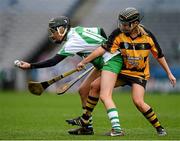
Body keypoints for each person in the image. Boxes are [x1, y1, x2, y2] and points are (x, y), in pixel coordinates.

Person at [68, 7, 176, 136]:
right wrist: (84, 61)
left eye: (125, 24)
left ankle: (159, 128)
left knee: (138, 102)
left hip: (139, 75)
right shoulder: (118, 34)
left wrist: (169, 73)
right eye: (121, 23)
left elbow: (159, 56)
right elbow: (102, 49)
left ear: (135, 23)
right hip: (122, 73)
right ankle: (85, 120)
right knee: (94, 86)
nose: (122, 26)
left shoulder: (148, 36)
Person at [16, 16, 122, 135]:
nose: (52, 35)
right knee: (83, 90)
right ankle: (87, 127)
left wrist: (30, 66)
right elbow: (100, 30)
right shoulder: (78, 30)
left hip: (111, 62)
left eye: (53, 31)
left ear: (61, 29)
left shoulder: (72, 42)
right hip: (103, 62)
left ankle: (116, 128)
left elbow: (53, 61)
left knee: (103, 94)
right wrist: (98, 56)